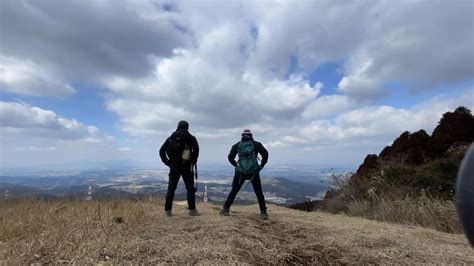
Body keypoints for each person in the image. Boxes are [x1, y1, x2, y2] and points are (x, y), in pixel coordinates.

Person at [220, 129, 269, 219]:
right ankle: (263, 212)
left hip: (240, 172)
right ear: (251, 136)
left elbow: (230, 157)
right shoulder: (256, 144)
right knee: (259, 193)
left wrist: (236, 166)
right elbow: (265, 154)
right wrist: (261, 165)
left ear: (242, 136)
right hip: (254, 172)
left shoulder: (237, 145)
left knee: (234, 191)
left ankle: (225, 209)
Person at [159, 120, 199, 217]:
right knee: (189, 187)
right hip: (187, 166)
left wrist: (167, 162)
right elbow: (196, 151)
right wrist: (192, 162)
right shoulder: (191, 138)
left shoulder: (171, 138)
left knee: (171, 188)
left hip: (173, 166)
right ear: (187, 127)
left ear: (178, 126)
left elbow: (161, 151)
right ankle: (192, 210)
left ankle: (168, 211)